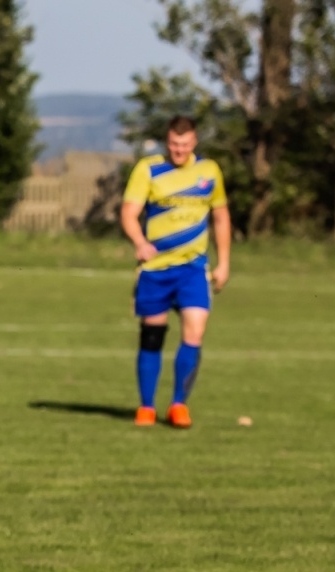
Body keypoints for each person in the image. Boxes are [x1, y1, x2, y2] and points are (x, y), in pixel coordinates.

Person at [119, 115, 231, 428]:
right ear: (166, 141)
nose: (178, 150)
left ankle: (179, 405)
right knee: (152, 337)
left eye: (184, 144)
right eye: (173, 144)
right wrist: (139, 242)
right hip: (155, 269)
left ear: (194, 141)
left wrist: (224, 263)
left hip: (193, 269)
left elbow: (221, 217)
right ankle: (147, 407)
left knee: (195, 332)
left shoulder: (208, 171)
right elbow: (129, 213)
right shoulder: (149, 169)